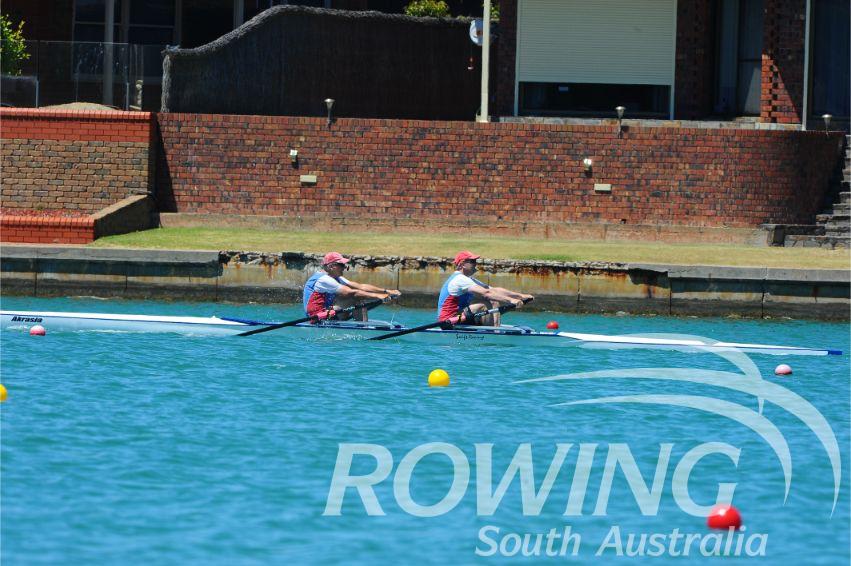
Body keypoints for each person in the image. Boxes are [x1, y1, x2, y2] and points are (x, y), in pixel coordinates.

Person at [436, 251, 533, 326]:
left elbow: (493, 290)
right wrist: (511, 300)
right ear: (462, 264)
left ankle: (493, 328)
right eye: (472, 261)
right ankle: (495, 333)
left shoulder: (468, 279)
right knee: (490, 302)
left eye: (475, 261)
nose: (475, 264)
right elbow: (486, 293)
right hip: (448, 322)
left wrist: (521, 296)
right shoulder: (459, 279)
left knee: (496, 299)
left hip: (461, 318)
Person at [303, 252, 400, 321]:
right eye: (342, 265)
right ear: (331, 266)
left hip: (328, 313)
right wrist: (379, 296)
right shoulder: (323, 279)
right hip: (316, 318)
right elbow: (351, 292)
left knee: (358, 300)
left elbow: (360, 286)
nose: (344, 268)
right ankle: (363, 328)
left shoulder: (335, 277)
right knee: (354, 298)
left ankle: (362, 326)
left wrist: (387, 291)